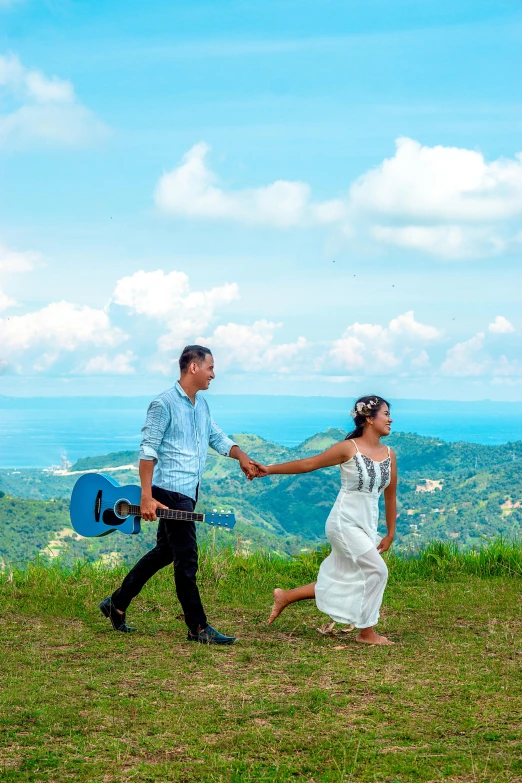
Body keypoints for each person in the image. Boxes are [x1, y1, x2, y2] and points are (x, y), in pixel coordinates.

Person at [99, 345, 257, 645]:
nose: (214, 373)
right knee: (187, 560)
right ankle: (197, 627)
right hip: (169, 492)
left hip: (188, 492)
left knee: (166, 552)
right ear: (194, 368)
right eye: (210, 367)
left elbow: (216, 437)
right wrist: (146, 496)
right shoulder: (164, 403)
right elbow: (147, 449)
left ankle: (116, 603)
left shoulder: (201, 405)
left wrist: (241, 456)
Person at [252, 395, 397, 646]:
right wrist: (270, 468)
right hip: (344, 522)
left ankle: (285, 596)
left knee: (349, 576)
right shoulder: (348, 448)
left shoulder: (389, 454)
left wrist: (390, 532)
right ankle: (366, 632)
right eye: (385, 413)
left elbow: (390, 494)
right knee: (377, 570)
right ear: (368, 419)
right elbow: (310, 463)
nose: (390, 419)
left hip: (366, 524)